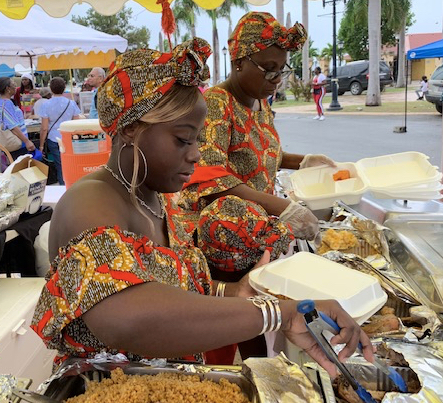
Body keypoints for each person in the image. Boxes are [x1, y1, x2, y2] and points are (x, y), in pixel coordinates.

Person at [31, 38, 373, 375]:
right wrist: (278, 313)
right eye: (183, 139)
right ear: (132, 129)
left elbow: (160, 285)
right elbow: (126, 314)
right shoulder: (89, 201)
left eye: (196, 139)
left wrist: (230, 292)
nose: (196, 154)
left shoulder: (155, 197)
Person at [176, 12, 336, 363]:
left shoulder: (261, 103)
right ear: (238, 61)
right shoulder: (217, 104)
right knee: (227, 327)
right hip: (223, 239)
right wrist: (284, 209)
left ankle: (256, 372)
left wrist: (303, 161)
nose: (276, 78)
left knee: (256, 324)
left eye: (282, 69)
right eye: (268, 68)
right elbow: (210, 176)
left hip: (257, 236)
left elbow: (262, 156)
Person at [39, 77, 81, 185]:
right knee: (71, 164)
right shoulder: (71, 103)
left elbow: (44, 128)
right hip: (68, 138)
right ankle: (72, 184)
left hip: (53, 138)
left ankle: (63, 186)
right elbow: (76, 122)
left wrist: (41, 145)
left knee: (59, 165)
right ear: (63, 88)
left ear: (51, 89)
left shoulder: (46, 105)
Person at [0, 77, 36, 159]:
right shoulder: (7, 103)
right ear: (7, 88)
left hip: (9, 141)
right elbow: (12, 126)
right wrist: (27, 141)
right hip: (17, 141)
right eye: (13, 85)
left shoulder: (2, 102)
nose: (15, 87)